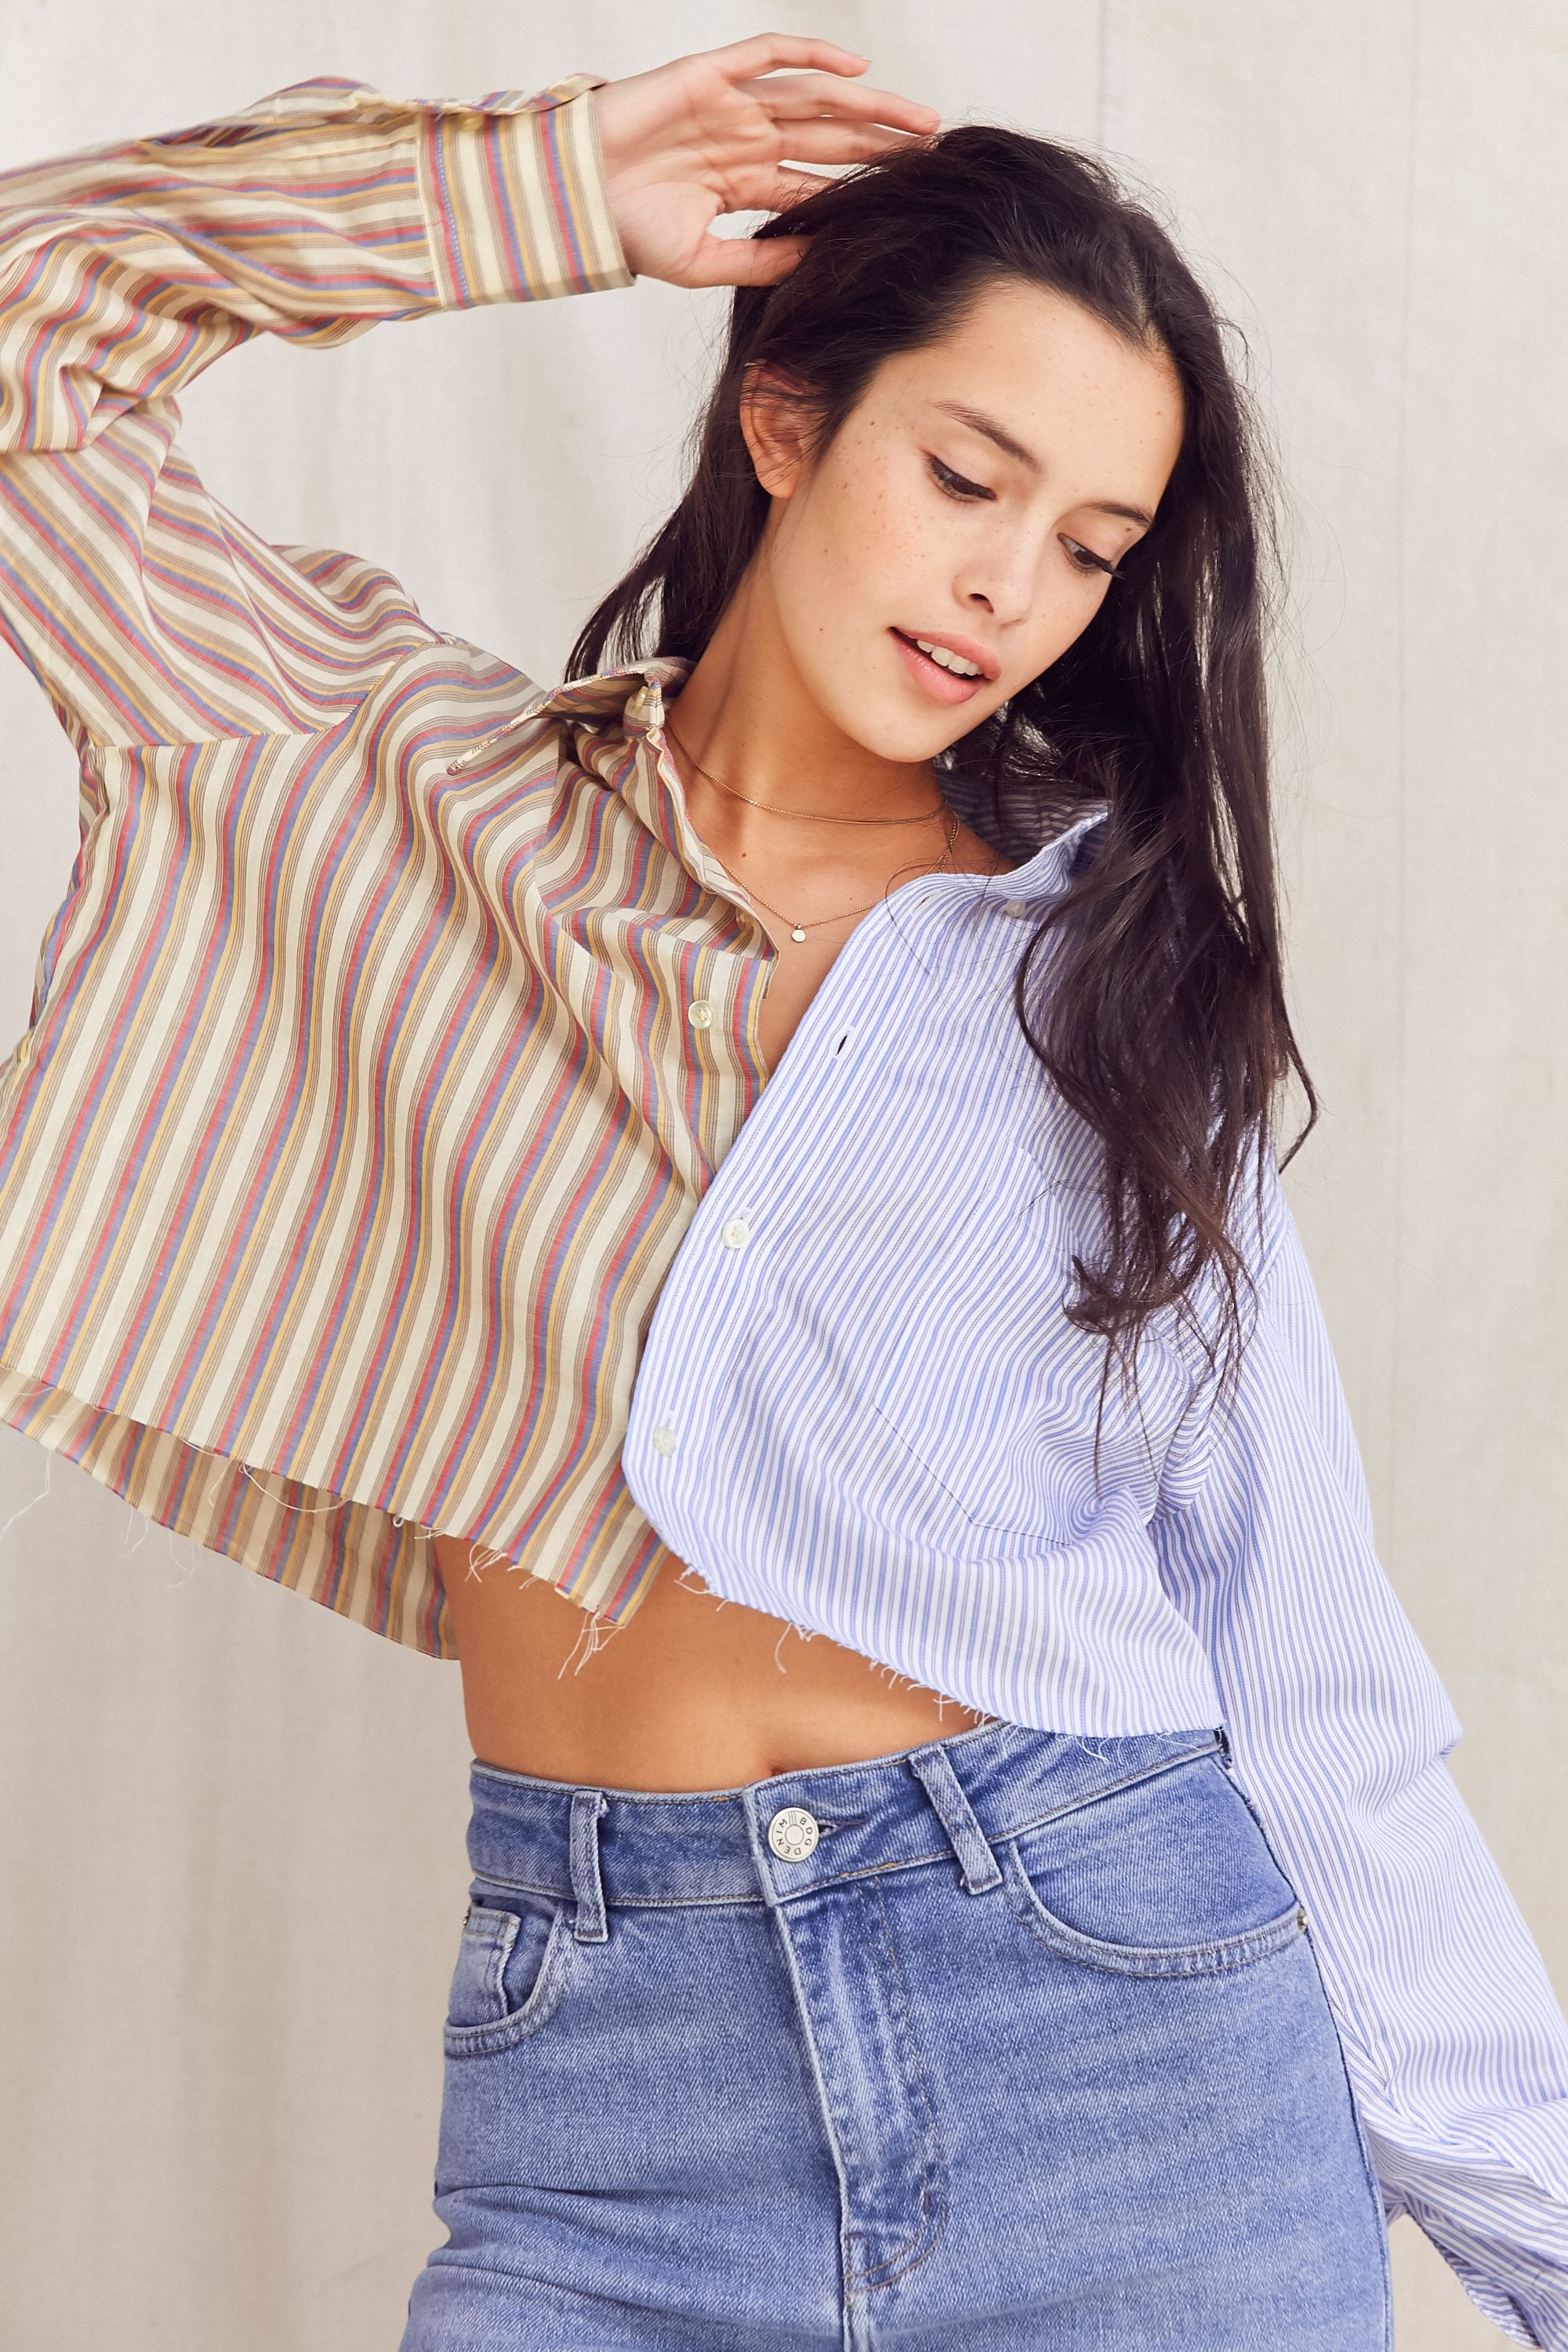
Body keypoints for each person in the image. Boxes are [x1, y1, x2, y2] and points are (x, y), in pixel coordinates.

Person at [0, 28, 1564, 2349]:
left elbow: (1301, 1651)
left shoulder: (1110, 986)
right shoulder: (377, 794)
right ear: (787, 419)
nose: (1008, 586)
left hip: (1130, 2046)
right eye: (966, 475)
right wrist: (537, 190)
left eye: (1089, 549)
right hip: (606, 2098)